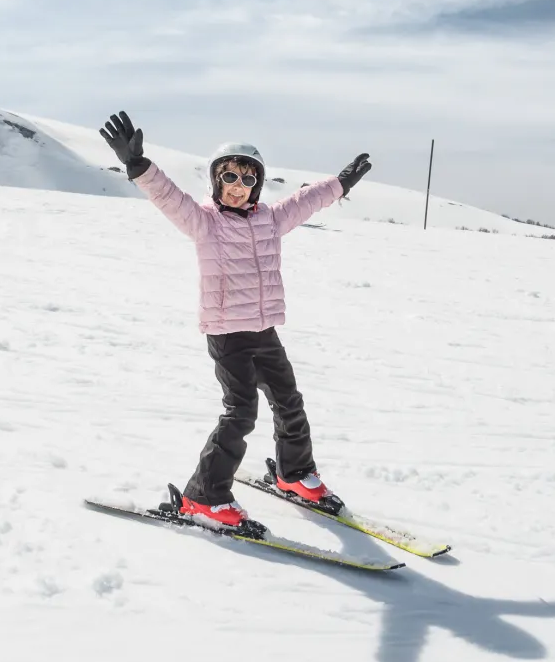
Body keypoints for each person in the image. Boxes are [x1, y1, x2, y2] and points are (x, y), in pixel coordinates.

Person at [100, 111, 371, 527]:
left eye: (248, 180)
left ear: (257, 186)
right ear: (216, 181)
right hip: (228, 335)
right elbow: (168, 196)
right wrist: (138, 165)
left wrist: (341, 184)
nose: (238, 188)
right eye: (230, 178)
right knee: (241, 412)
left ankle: (294, 474)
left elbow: (305, 200)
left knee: (289, 402)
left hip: (265, 330)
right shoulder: (205, 222)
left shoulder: (270, 219)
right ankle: (203, 497)